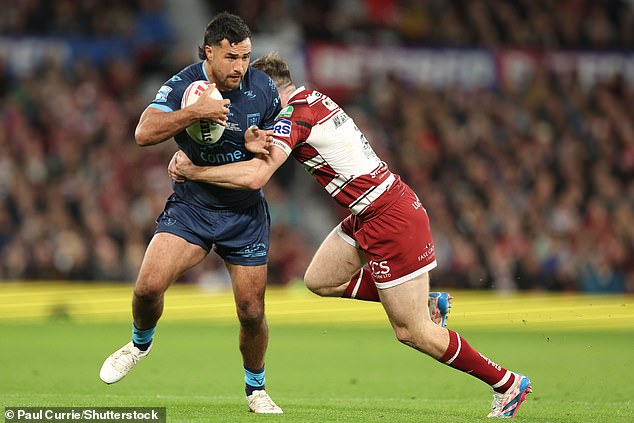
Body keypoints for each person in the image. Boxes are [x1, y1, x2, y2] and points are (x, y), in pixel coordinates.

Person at [167, 53, 532, 418]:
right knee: (320, 279)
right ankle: (423, 301)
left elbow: (255, 178)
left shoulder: (295, 114)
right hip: (368, 212)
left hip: (389, 217)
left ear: (268, 89)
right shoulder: (310, 101)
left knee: (411, 331)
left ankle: (507, 383)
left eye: (255, 92)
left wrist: (194, 170)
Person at [99, 13, 284, 414]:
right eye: (232, 57)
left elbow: (267, 153)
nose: (240, 67)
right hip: (193, 207)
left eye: (246, 57)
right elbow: (143, 133)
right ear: (209, 51)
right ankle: (138, 344)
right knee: (147, 287)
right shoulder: (182, 86)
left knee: (252, 312)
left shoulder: (264, 89)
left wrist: (258, 141)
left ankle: (256, 389)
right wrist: (194, 113)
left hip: (243, 214)